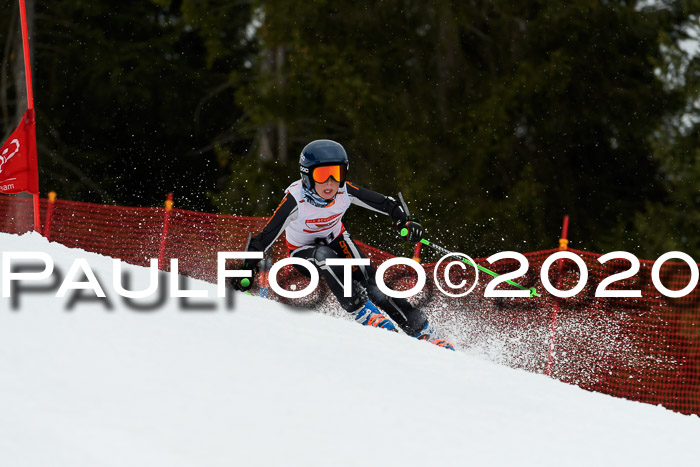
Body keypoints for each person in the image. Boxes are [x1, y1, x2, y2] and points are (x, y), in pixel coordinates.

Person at [232, 139, 454, 350]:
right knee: (324, 255)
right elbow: (265, 237)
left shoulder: (343, 191)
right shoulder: (295, 200)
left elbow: (387, 204)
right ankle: (362, 311)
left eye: (336, 173)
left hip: (338, 241)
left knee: (374, 285)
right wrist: (247, 269)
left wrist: (405, 221)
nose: (329, 183)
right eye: (322, 175)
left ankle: (421, 331)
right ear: (307, 176)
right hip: (303, 254)